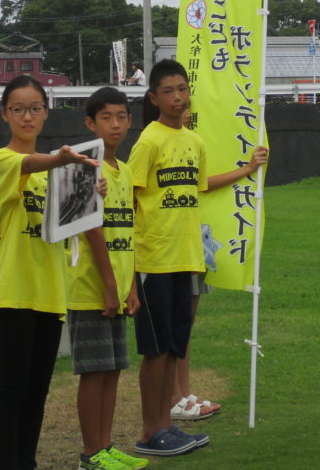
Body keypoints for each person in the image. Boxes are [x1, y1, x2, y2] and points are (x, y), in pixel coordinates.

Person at [0, 75, 100, 470]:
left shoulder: (59, 172)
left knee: (37, 393)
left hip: (51, 294)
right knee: (12, 390)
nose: (27, 116)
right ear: (5, 114)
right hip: (15, 291)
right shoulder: (0, 160)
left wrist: (91, 191)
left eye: (35, 108)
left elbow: (75, 225)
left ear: (46, 113)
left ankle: (27, 463)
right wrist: (63, 160)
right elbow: (31, 161)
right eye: (18, 109)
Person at [128, 60, 210, 456]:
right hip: (154, 260)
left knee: (175, 346)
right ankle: (149, 432)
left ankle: (166, 426)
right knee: (155, 350)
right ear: (153, 97)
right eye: (168, 91)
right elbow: (127, 199)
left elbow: (199, 191)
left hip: (186, 257)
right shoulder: (148, 141)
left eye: (183, 89)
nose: (178, 97)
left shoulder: (194, 142)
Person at [166, 108, 268, 422]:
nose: (185, 113)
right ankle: (174, 397)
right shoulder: (160, 143)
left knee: (185, 324)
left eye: (188, 107)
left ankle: (184, 394)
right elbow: (197, 185)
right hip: (170, 245)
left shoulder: (193, 142)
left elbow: (202, 184)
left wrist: (249, 168)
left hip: (195, 240)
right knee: (173, 326)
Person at [66, 86, 148, 470]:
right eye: (106, 118)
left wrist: (131, 285)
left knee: (113, 370)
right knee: (94, 372)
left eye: (121, 117)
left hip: (117, 286)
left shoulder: (125, 169)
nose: (115, 125)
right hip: (92, 288)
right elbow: (90, 229)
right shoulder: (85, 166)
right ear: (90, 123)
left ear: (130, 121)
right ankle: (90, 454)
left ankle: (107, 446)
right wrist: (110, 285)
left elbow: (125, 231)